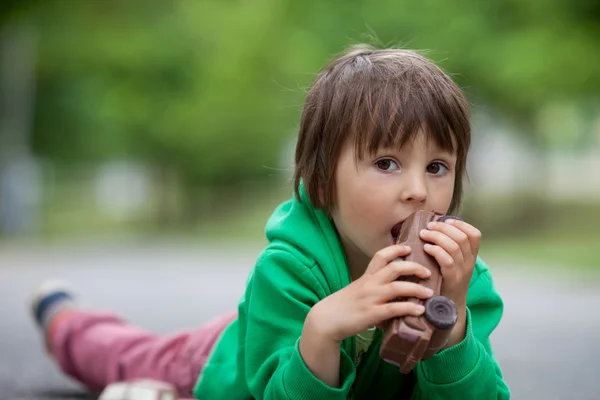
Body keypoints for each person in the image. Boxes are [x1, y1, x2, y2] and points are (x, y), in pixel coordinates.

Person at [30, 44, 510, 399]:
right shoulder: (288, 271)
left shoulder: (462, 282)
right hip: (224, 362)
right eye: (386, 163)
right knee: (119, 356)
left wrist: (453, 320)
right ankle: (62, 317)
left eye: (437, 166)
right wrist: (320, 331)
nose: (418, 190)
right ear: (323, 183)